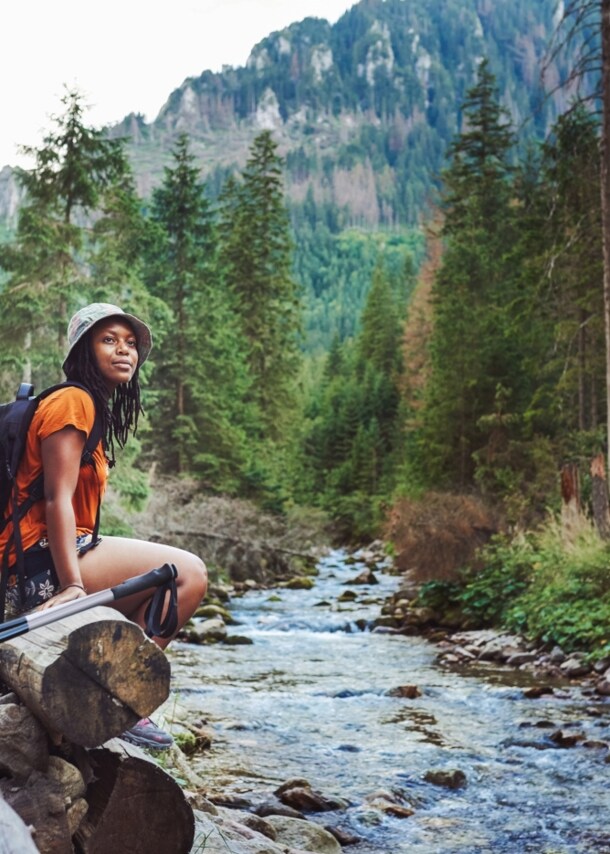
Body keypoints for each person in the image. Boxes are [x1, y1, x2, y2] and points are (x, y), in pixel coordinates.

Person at [0, 303, 208, 749]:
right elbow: (56, 499)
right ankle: (125, 698)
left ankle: (100, 693)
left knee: (163, 580)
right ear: (83, 350)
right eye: (109, 340)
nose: (124, 351)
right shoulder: (73, 401)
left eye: (131, 344)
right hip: (34, 570)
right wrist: (73, 586)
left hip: (43, 558)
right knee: (189, 574)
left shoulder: (90, 406)